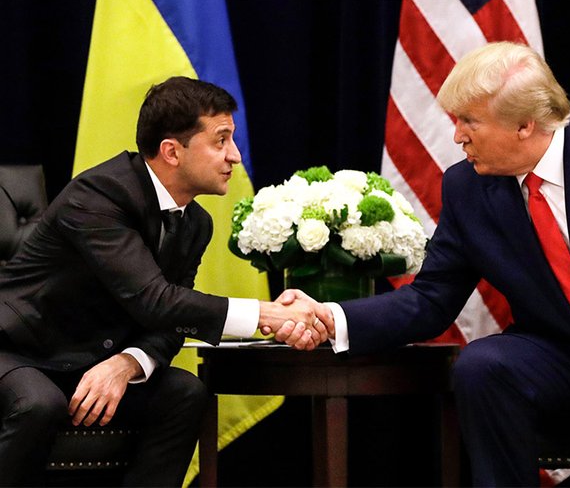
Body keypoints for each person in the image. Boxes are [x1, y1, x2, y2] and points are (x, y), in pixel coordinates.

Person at [277, 42, 570, 486]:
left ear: (524, 125)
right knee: (483, 366)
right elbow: (431, 299)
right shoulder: (467, 186)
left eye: (469, 121)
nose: (457, 135)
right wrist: (329, 315)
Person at [0, 76, 326, 486]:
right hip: (18, 349)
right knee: (38, 404)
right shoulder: (98, 195)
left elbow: (172, 321)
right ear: (172, 151)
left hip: (90, 360)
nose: (235, 156)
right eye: (221, 141)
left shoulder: (196, 223)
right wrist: (267, 314)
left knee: (185, 394)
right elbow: (155, 299)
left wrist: (128, 363)